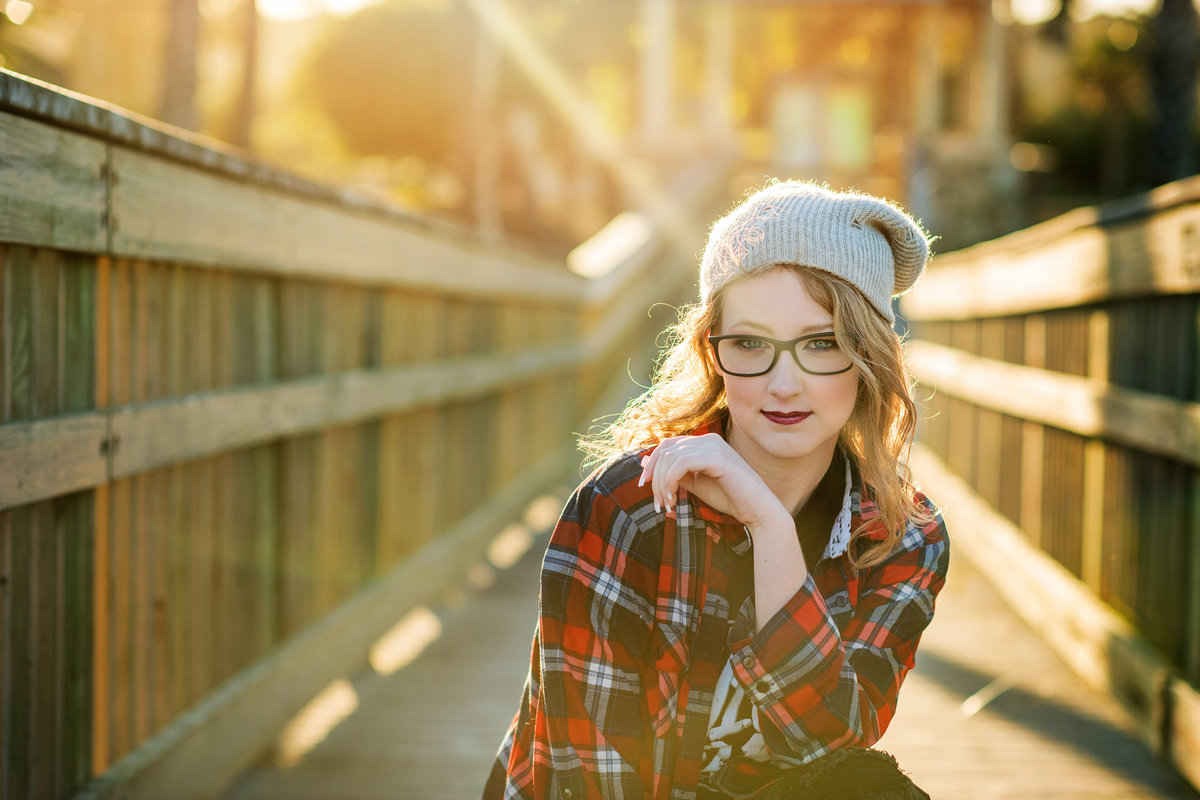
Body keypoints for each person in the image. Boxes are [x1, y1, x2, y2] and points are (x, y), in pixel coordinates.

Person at [483, 181, 950, 800]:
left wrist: (770, 528)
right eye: (751, 343)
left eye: (821, 343)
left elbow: (833, 749)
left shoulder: (902, 536)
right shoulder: (630, 506)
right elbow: (589, 776)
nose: (784, 385)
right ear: (714, 354)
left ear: (869, 358)